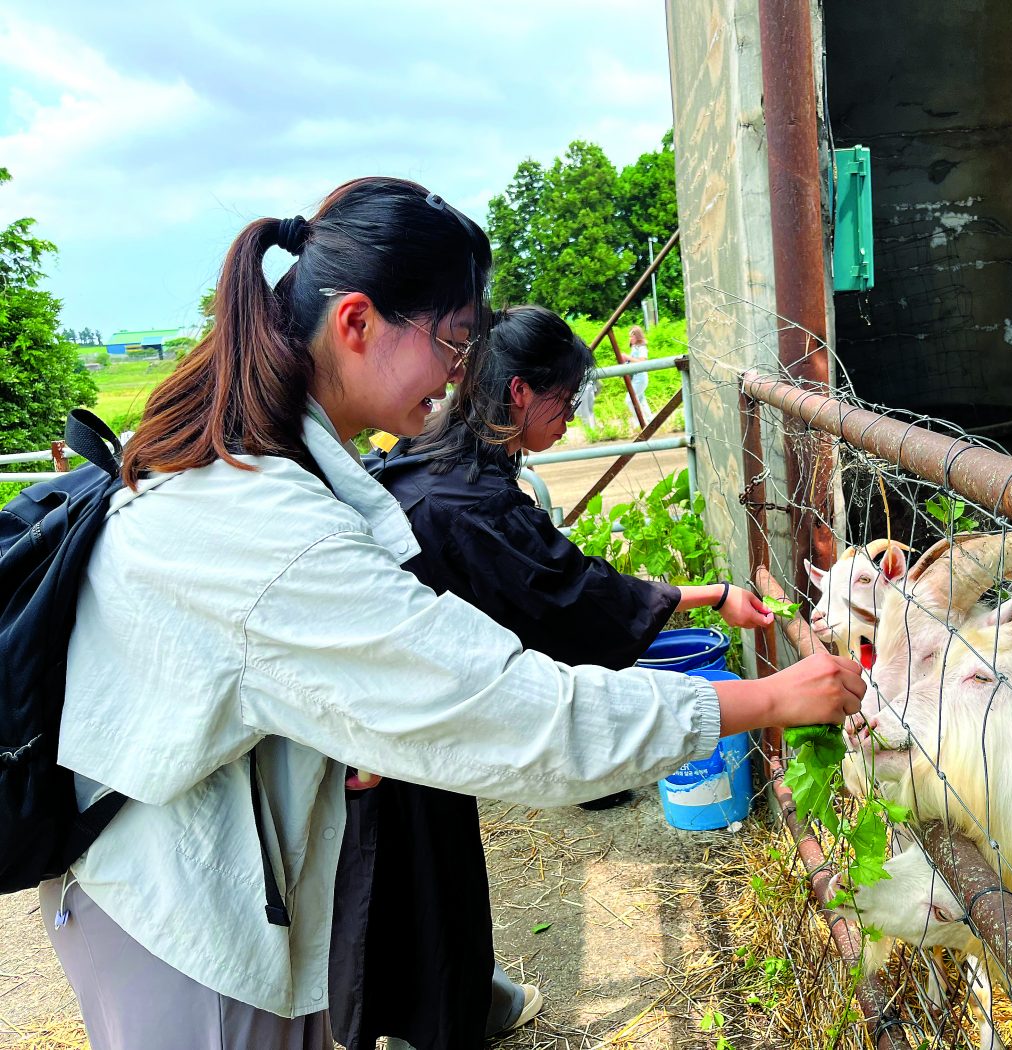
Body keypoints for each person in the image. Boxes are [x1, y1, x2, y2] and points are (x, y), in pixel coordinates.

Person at [41, 177, 865, 1050]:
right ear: (356, 324)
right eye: (452, 341)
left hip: (192, 871)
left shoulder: (254, 459)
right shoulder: (273, 524)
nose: (457, 373)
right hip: (187, 918)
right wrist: (768, 701)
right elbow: (512, 711)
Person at [330, 305, 775, 1050]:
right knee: (421, 878)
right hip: (397, 723)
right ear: (519, 396)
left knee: (423, 873)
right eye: (566, 401)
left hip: (396, 705)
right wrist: (708, 603)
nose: (571, 418)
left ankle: (463, 1000)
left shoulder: (442, 461)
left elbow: (564, 580)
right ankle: (444, 1021)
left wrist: (708, 597)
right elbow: (572, 600)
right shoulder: (469, 500)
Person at [625, 324, 652, 425]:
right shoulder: (634, 347)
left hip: (640, 379)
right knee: (641, 400)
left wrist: (627, 358)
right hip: (636, 378)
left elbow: (642, 361)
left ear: (637, 336)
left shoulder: (642, 348)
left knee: (629, 400)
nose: (630, 338)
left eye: (632, 336)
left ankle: (641, 422)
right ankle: (650, 421)